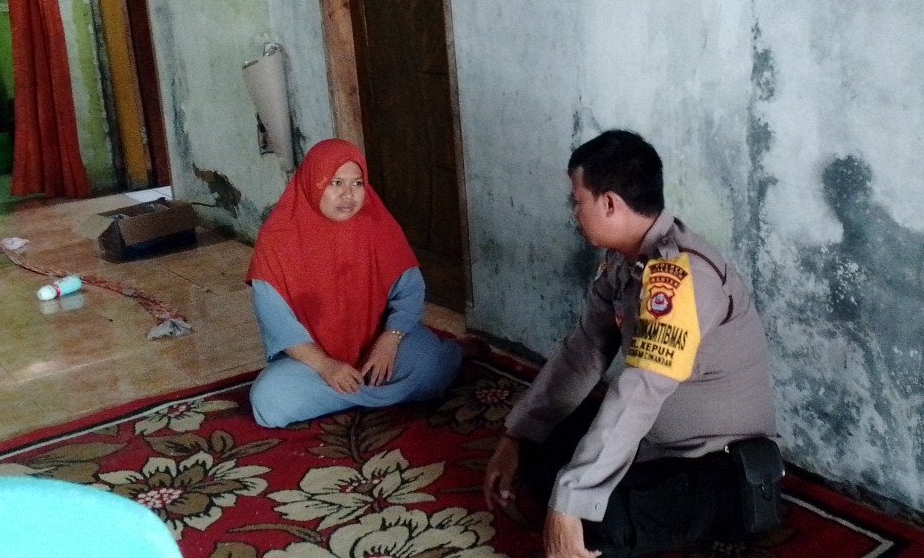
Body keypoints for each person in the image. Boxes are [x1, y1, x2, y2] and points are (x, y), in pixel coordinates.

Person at [484, 130, 779, 558]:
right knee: (542, 440)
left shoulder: (680, 277)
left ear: (609, 203)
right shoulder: (627, 262)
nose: (574, 212)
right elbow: (583, 350)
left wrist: (571, 500)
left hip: (715, 464)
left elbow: (641, 389)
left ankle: (706, 523)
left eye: (577, 200)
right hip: (653, 444)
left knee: (596, 519)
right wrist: (516, 436)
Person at [246, 138, 482, 428]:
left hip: (378, 347)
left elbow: (409, 291)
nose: (348, 195)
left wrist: (389, 341)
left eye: (357, 184)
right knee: (270, 401)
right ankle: (376, 390)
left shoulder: (378, 226)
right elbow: (277, 322)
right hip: (313, 361)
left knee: (430, 366)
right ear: (312, 183)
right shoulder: (277, 240)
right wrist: (325, 365)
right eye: (336, 183)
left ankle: (451, 351)